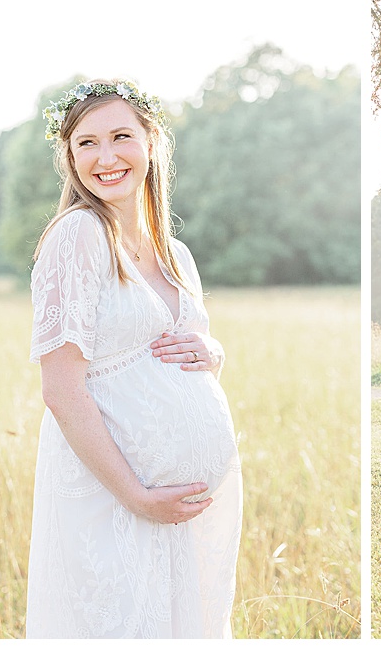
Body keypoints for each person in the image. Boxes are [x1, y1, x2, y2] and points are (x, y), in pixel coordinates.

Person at [25, 80, 242, 638]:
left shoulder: (177, 255)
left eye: (121, 136)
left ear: (152, 141)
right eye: (86, 143)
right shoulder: (78, 236)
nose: (105, 157)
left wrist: (212, 354)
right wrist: (136, 495)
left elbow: (171, 356)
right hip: (115, 498)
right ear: (69, 158)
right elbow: (61, 388)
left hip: (184, 513)